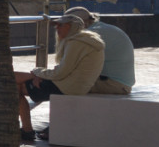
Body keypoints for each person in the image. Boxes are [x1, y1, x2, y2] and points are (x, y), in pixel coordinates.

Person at [16, 7, 128, 140]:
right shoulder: (87, 40)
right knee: (16, 80)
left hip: (67, 87)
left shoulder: (75, 42)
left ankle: (26, 130)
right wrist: (40, 74)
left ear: (72, 27)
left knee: (15, 84)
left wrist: (37, 72)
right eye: (56, 25)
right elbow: (65, 69)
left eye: (61, 25)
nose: (57, 28)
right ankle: (26, 129)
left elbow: (60, 73)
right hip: (75, 84)